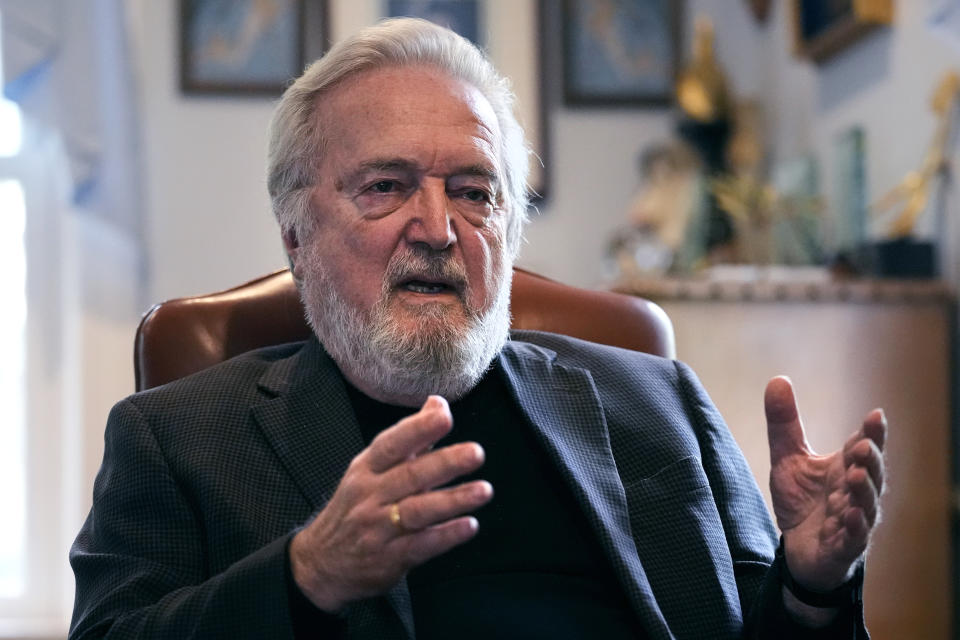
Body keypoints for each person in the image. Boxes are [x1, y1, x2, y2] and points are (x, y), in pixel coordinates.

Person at [69, 18, 886, 640]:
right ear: (295, 234)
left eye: (474, 191)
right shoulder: (176, 436)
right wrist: (305, 574)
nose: (437, 227)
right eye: (387, 187)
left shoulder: (655, 398)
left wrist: (811, 585)